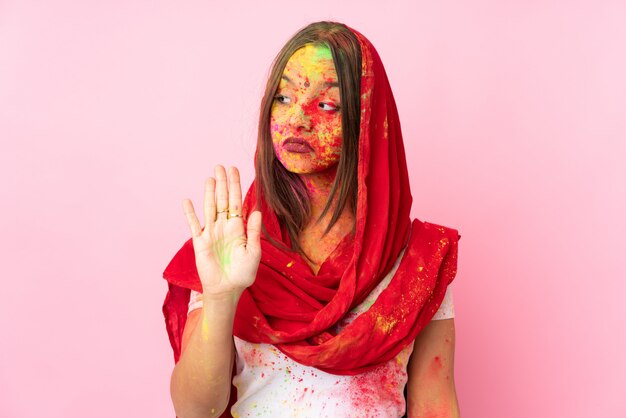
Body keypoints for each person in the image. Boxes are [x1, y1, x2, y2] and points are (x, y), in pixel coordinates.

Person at [162, 21, 461, 418]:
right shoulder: (232, 245)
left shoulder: (418, 260)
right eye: (283, 97)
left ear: (367, 120)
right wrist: (220, 298)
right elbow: (194, 411)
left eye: (326, 105)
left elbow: (435, 405)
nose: (297, 119)